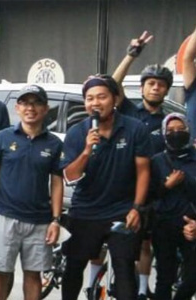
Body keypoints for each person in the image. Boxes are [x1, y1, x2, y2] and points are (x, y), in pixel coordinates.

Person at [59, 75, 154, 300]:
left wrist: (137, 208)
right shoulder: (77, 133)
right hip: (85, 211)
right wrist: (86, 150)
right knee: (73, 267)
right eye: (90, 98)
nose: (95, 103)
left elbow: (143, 171)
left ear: (115, 99)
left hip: (122, 210)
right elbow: (69, 176)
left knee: (124, 269)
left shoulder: (135, 129)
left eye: (101, 97)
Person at [0, 85, 64, 300]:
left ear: (46, 108)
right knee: (0, 273)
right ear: (17, 108)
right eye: (25, 103)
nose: (31, 108)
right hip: (4, 216)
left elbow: (57, 183)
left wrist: (55, 220)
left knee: (33, 275)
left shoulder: (54, 144)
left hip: (39, 220)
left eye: (36, 102)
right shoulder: (3, 137)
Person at [107, 31, 169, 298]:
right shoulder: (131, 112)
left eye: (161, 84)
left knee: (148, 243)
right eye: (151, 83)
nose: (155, 87)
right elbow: (111, 84)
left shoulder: (171, 122)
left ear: (166, 89)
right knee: (125, 244)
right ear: (142, 87)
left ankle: (144, 290)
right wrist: (131, 55)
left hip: (159, 190)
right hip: (127, 190)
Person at [145, 114, 196, 300]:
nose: (176, 133)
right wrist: (167, 185)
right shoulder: (157, 161)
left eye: (180, 130)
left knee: (192, 278)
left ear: (188, 132)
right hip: (164, 225)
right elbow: (149, 194)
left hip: (191, 225)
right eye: (170, 131)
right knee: (165, 277)